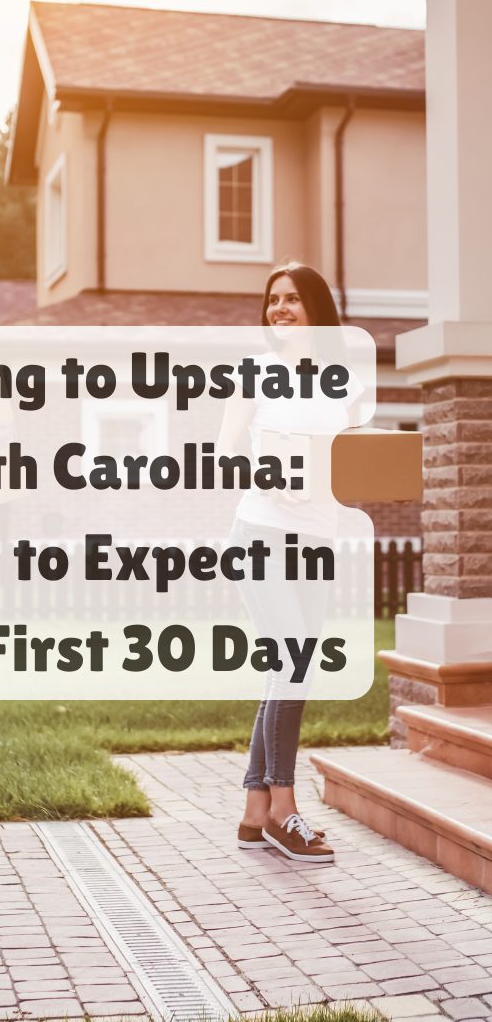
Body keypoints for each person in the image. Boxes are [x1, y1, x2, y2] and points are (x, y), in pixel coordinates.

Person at [226, 262, 350, 865]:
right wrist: (271, 473)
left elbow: (350, 456)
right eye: (273, 300)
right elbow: (225, 451)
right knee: (294, 660)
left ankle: (255, 813)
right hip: (263, 531)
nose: (279, 309)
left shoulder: (340, 379)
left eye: (293, 299)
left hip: (317, 534)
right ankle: (283, 807)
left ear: (316, 309)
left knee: (287, 667)